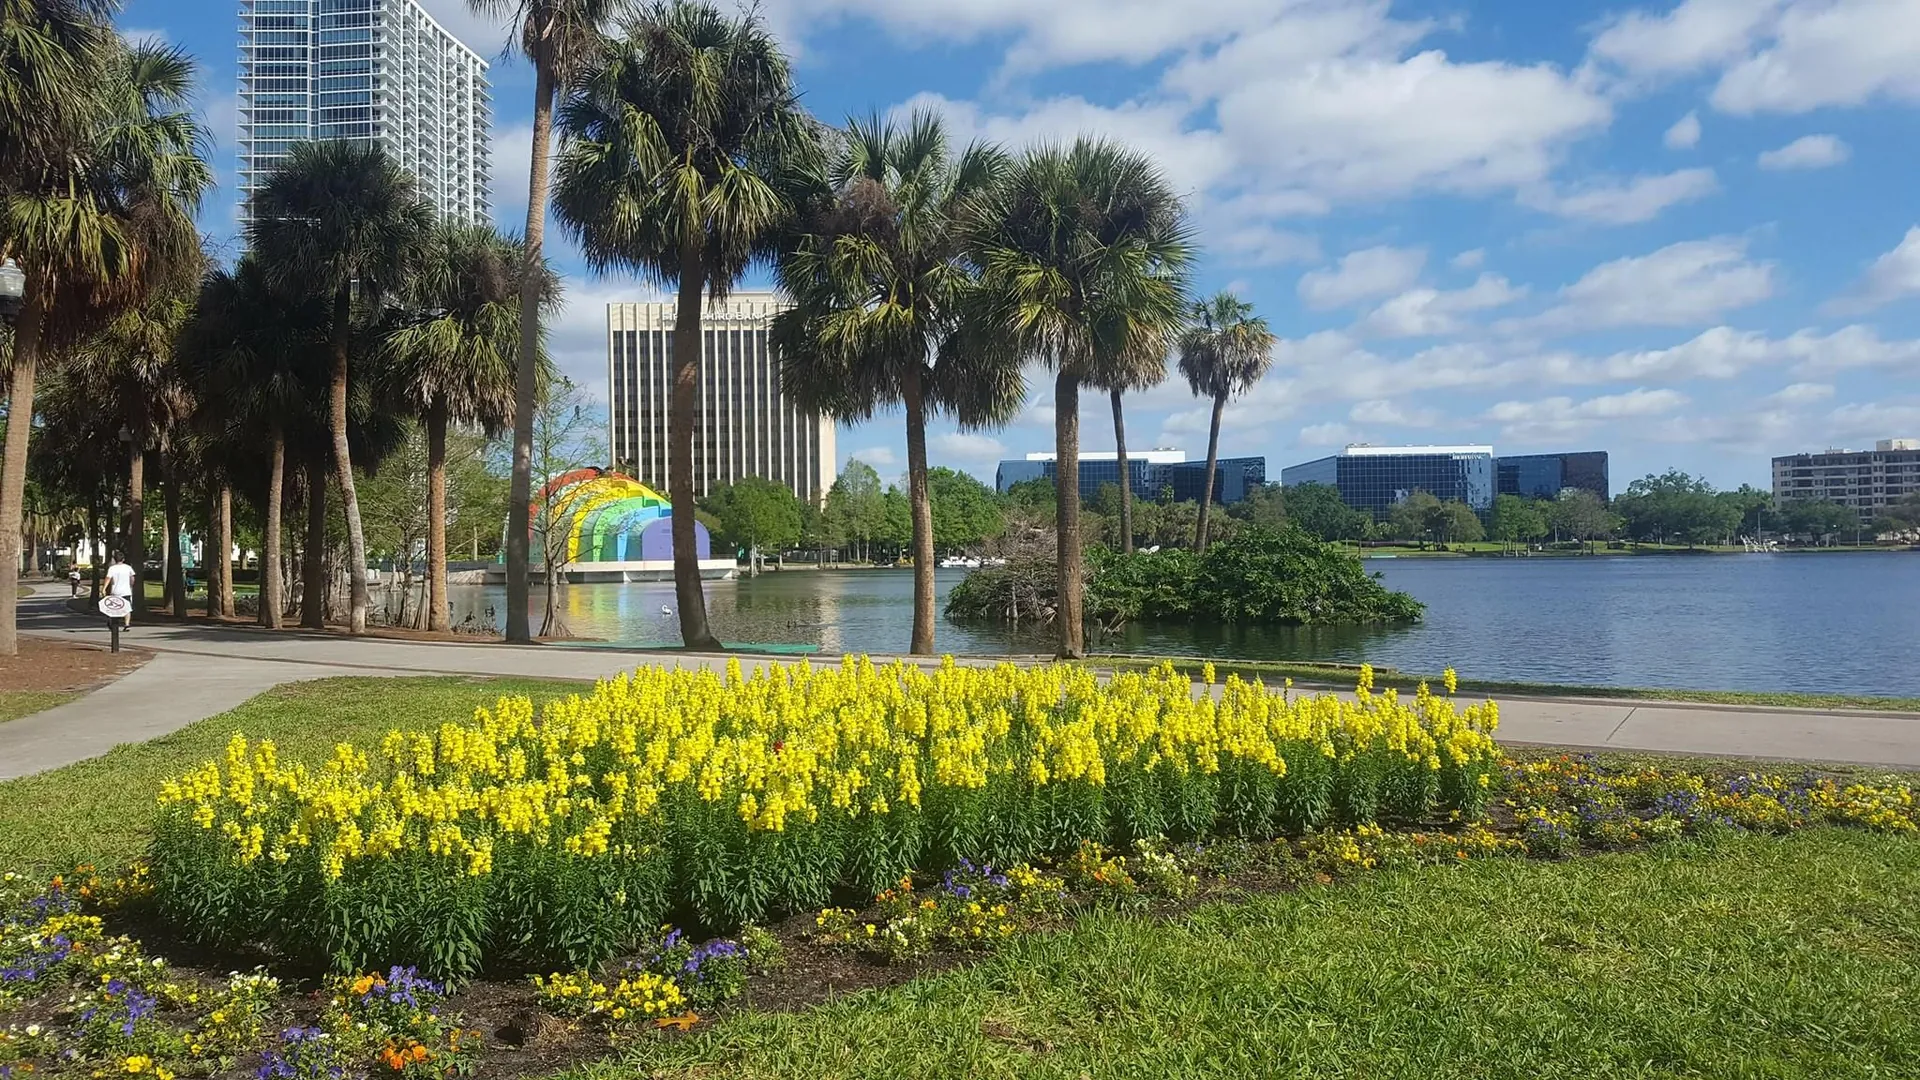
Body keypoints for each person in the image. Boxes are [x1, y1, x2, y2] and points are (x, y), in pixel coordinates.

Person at [104, 551, 135, 629]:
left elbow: (108, 578)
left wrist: (104, 588)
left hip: (115, 591)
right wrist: (131, 585)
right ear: (123, 559)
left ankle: (112, 622)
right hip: (126, 591)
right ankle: (127, 624)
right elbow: (132, 578)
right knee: (127, 608)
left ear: (115, 559)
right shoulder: (128, 567)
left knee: (114, 607)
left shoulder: (112, 568)